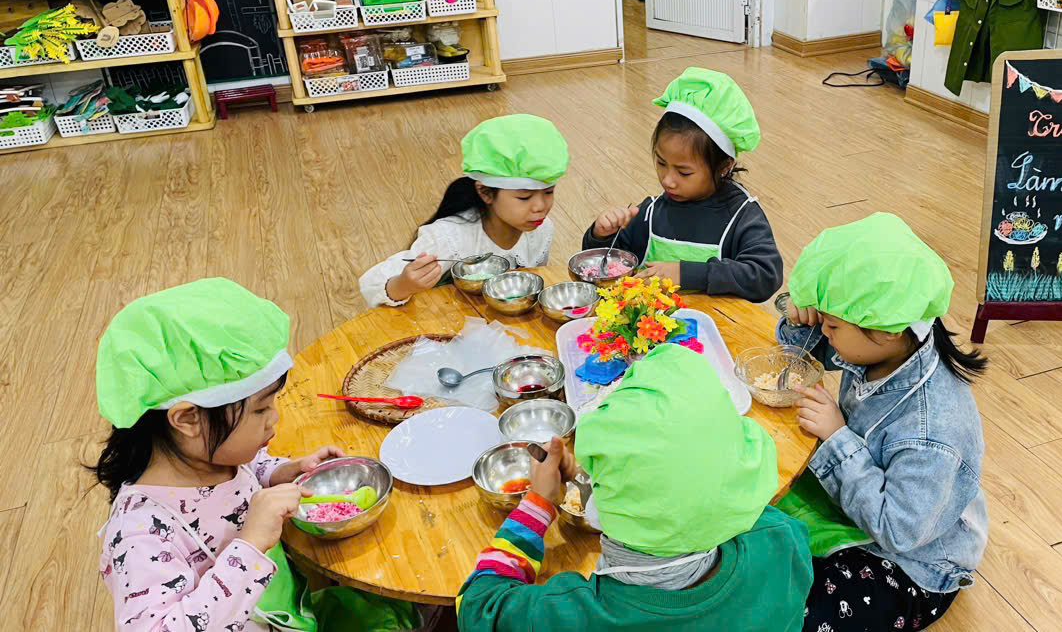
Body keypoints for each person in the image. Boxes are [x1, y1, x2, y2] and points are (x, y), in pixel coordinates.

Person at [92, 278, 420, 632]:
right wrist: (250, 544)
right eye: (261, 409)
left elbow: (248, 468)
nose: (274, 418)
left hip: (287, 610)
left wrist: (285, 471)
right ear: (188, 419)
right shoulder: (140, 532)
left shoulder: (212, 456)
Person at [455, 344, 813, 631]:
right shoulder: (782, 540)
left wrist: (539, 502)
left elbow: (478, 606)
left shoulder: (576, 617)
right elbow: (705, 493)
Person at [775, 213, 989, 632]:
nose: (826, 332)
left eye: (832, 324)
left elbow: (897, 531)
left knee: (797, 613)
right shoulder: (887, 342)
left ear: (885, 331)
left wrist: (837, 438)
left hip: (914, 563)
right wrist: (804, 320)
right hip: (863, 506)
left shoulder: (933, 431)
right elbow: (799, 356)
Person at [581, 67, 782, 303]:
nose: (667, 180)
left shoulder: (742, 217)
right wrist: (601, 236)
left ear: (724, 166)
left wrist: (687, 274)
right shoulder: (650, 213)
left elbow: (765, 275)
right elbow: (608, 265)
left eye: (684, 172)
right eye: (661, 163)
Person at [361, 114, 570, 307]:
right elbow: (371, 284)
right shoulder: (448, 237)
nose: (540, 207)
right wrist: (404, 284)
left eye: (549, 192)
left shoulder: (542, 229)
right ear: (485, 193)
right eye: (524, 197)